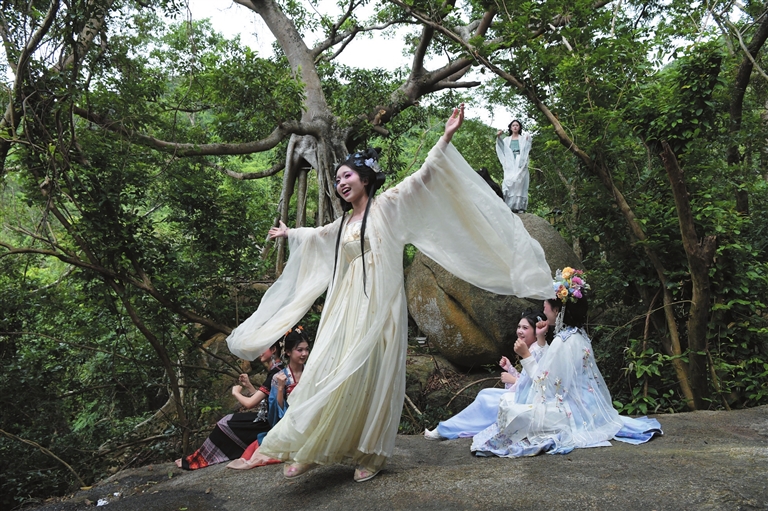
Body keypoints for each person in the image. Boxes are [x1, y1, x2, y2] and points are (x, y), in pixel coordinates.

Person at [226, 104, 554, 483]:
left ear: (365, 179)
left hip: (381, 305)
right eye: (337, 178)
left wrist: (446, 137)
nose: (340, 182)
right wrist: (290, 233)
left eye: (347, 175)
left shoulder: (389, 205)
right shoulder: (344, 222)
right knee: (331, 369)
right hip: (347, 308)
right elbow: (319, 236)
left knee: (376, 374)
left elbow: (424, 175)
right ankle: (311, 447)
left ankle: (370, 452)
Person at [471, 269, 662, 457]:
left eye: (546, 305)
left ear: (557, 310)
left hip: (569, 409)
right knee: (510, 404)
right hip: (587, 405)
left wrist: (526, 355)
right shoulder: (578, 336)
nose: (543, 309)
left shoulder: (562, 341)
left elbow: (545, 386)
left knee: (514, 411)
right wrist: (540, 338)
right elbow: (553, 369)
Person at [424, 309, 552, 440]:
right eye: (519, 327)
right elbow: (527, 378)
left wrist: (513, 380)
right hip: (521, 395)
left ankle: (445, 429)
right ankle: (447, 428)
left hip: (528, 401)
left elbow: (538, 383)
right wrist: (510, 369)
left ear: (536, 331)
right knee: (485, 394)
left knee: (486, 400)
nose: (519, 331)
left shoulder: (538, 349)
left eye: (525, 328)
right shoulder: (533, 348)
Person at [175, 337, 284, 470]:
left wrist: (236, 393)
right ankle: (197, 458)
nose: (259, 352)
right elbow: (267, 400)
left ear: (273, 349)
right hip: (269, 417)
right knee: (228, 421)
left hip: (271, 421)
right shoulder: (278, 369)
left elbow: (250, 404)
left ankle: (197, 460)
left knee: (225, 423)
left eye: (263, 348)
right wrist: (249, 386)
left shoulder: (276, 372)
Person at [227, 326, 310, 469]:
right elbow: (276, 412)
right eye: (300, 350)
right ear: (288, 352)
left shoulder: (311, 371)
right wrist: (280, 389)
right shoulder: (279, 376)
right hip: (290, 422)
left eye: (306, 349)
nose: (304, 354)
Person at [496, 119, 532, 213]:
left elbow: (527, 147)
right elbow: (501, 147)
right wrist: (498, 137)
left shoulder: (523, 139)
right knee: (508, 183)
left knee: (519, 185)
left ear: (519, 127)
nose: (515, 127)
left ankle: (519, 206)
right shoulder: (506, 140)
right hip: (510, 164)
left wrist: (528, 138)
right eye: (513, 125)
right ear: (510, 127)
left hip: (520, 163)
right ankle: (509, 205)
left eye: (517, 125)